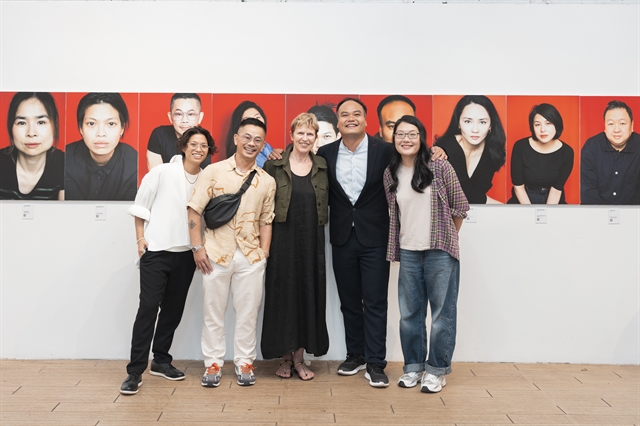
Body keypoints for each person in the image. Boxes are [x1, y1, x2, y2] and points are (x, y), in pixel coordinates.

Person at [120, 126, 216, 395]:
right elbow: (141, 206)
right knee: (148, 309)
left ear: (209, 151)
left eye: (204, 145)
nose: (198, 149)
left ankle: (161, 360)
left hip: (187, 255)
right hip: (157, 252)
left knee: (173, 310)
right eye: (193, 144)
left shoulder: (207, 178)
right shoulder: (162, 172)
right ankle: (135, 371)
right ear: (183, 146)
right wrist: (140, 239)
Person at [187, 117, 276, 388]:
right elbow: (194, 210)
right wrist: (197, 248)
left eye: (257, 140)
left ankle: (244, 362)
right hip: (215, 253)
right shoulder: (213, 172)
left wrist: (264, 253)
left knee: (248, 312)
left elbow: (266, 220)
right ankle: (213, 363)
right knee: (213, 312)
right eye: (246, 137)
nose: (251, 143)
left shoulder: (267, 181)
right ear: (236, 138)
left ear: (263, 145)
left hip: (251, 257)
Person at [384, 115, 468, 393]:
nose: (406, 139)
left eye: (412, 134)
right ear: (393, 139)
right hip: (408, 250)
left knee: (443, 315)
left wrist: (446, 237)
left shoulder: (439, 166)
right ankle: (413, 367)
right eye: (400, 134)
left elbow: (460, 206)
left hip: (440, 251)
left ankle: (436, 371)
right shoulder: (390, 173)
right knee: (410, 315)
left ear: (421, 137)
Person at [316, 98, 392, 388]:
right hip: (342, 238)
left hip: (375, 238)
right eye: (345, 114)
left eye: (356, 114)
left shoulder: (384, 150)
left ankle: (376, 362)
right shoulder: (325, 153)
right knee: (349, 302)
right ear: (338, 122)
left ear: (365, 120)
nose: (350, 118)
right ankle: (355, 355)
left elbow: (414, 159)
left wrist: (438, 150)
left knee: (375, 302)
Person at [260, 113, 330, 381]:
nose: (305, 138)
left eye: (310, 133)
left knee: (307, 294)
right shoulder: (274, 165)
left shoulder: (322, 165)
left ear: (315, 138)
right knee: (282, 295)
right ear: (291, 135)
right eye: (300, 132)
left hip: (311, 240)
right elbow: (263, 203)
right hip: (281, 241)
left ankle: (299, 358)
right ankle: (284, 358)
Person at [433, 95, 506, 204]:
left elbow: (478, 193)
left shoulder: (491, 152)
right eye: (468, 121)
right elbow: (464, 196)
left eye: (482, 122)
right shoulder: (447, 150)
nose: (475, 130)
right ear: (458, 123)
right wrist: (503, 207)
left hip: (470, 210)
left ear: (491, 125)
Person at [65, 92, 137, 201]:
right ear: (81, 128)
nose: (101, 133)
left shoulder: (133, 164)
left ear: (122, 128)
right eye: (91, 123)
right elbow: (72, 209)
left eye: (111, 124)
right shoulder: (66, 159)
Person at [0, 92, 64, 200]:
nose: (31, 133)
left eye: (41, 122)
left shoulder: (67, 165)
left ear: (54, 127)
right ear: (11, 128)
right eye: (22, 123)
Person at [507, 103, 574, 204]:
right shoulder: (520, 146)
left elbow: (556, 190)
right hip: (523, 198)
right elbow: (518, 186)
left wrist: (546, 212)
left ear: (557, 125)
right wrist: (530, 211)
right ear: (532, 127)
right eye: (537, 125)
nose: (542, 129)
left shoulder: (567, 152)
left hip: (553, 199)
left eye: (548, 123)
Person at [581, 100, 640, 205]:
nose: (616, 130)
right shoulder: (591, 147)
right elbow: (588, 193)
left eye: (622, 123)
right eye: (611, 124)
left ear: (632, 126)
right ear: (605, 126)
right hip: (597, 212)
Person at [146, 93, 211, 170]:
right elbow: (155, 174)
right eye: (178, 114)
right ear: (170, 117)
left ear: (200, 117)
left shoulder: (205, 140)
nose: (184, 120)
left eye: (191, 114)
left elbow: (203, 175)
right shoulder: (159, 134)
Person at [224, 101, 276, 168]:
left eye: (257, 117)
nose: (254, 122)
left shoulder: (266, 146)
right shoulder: (243, 156)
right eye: (248, 120)